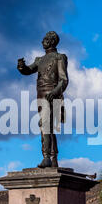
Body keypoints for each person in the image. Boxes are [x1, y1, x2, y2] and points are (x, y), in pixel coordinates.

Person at [17, 31, 69, 168]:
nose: (42, 41)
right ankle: (53, 158)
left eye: (45, 39)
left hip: (52, 95)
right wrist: (22, 67)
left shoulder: (59, 57)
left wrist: (55, 92)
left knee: (44, 124)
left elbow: (63, 80)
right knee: (47, 127)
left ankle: (47, 157)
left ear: (52, 41)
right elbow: (28, 70)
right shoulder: (39, 60)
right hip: (40, 95)